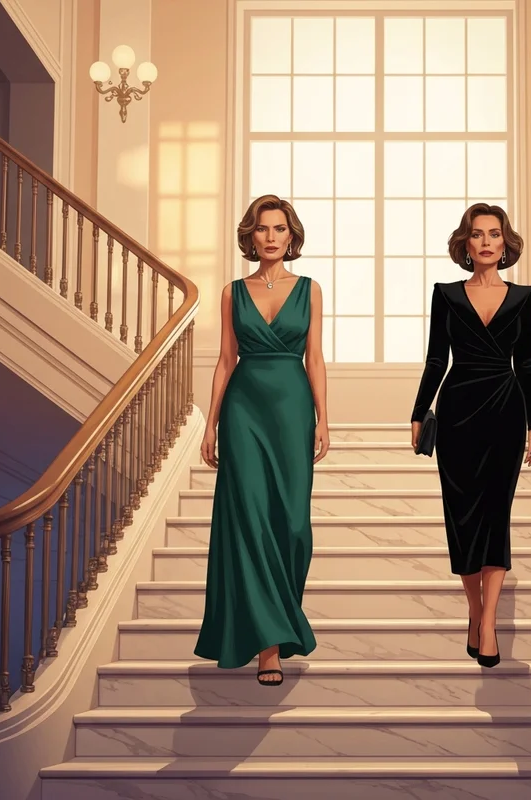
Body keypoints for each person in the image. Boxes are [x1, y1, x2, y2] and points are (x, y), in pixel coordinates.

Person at [194, 194, 330, 686]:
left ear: (291, 236)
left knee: (292, 524)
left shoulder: (310, 290)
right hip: (244, 411)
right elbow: (225, 360)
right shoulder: (232, 292)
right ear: (250, 236)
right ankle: (267, 647)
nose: (271, 237)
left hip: (292, 410)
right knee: (249, 521)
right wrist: (211, 423)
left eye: (279, 229)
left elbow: (315, 357)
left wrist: (323, 418)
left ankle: (282, 616)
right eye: (262, 228)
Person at [410, 202, 531, 668]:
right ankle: (474, 609)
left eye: (494, 234)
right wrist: (418, 411)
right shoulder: (446, 295)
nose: (486, 241)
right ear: (465, 243)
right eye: (478, 234)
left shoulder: (523, 296)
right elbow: (435, 359)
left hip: (506, 411)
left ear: (505, 243)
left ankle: (487, 624)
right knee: (463, 517)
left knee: (495, 516)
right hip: (458, 411)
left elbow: (526, 362)